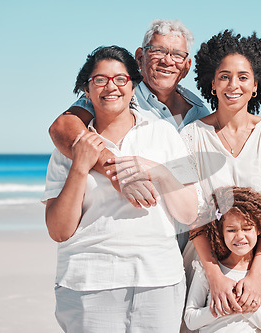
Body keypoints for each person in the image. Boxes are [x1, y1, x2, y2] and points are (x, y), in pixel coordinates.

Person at [42, 45, 198, 332]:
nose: (110, 87)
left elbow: (188, 213)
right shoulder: (70, 145)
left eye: (120, 79)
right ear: (86, 91)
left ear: (133, 86)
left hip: (158, 278)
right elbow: (58, 230)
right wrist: (81, 164)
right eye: (99, 79)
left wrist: (158, 171)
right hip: (88, 280)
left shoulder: (162, 133)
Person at [48, 19, 210, 250]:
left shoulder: (198, 110)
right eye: (158, 51)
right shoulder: (115, 93)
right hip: (131, 241)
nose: (167, 60)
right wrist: (118, 174)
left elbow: (192, 181)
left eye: (177, 55)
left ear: (186, 65)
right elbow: (62, 127)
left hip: (184, 239)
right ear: (140, 57)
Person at [180, 30, 261, 324]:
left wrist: (256, 275)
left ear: (255, 85)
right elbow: (193, 214)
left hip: (260, 264)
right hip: (203, 266)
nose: (233, 85)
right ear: (212, 84)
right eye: (224, 76)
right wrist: (213, 276)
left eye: (243, 77)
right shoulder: (190, 136)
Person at [184, 186, 261, 332]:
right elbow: (190, 320)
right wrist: (221, 308)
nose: (239, 236)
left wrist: (247, 307)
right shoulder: (207, 270)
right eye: (231, 230)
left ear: (259, 229)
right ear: (220, 232)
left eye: (247, 228)